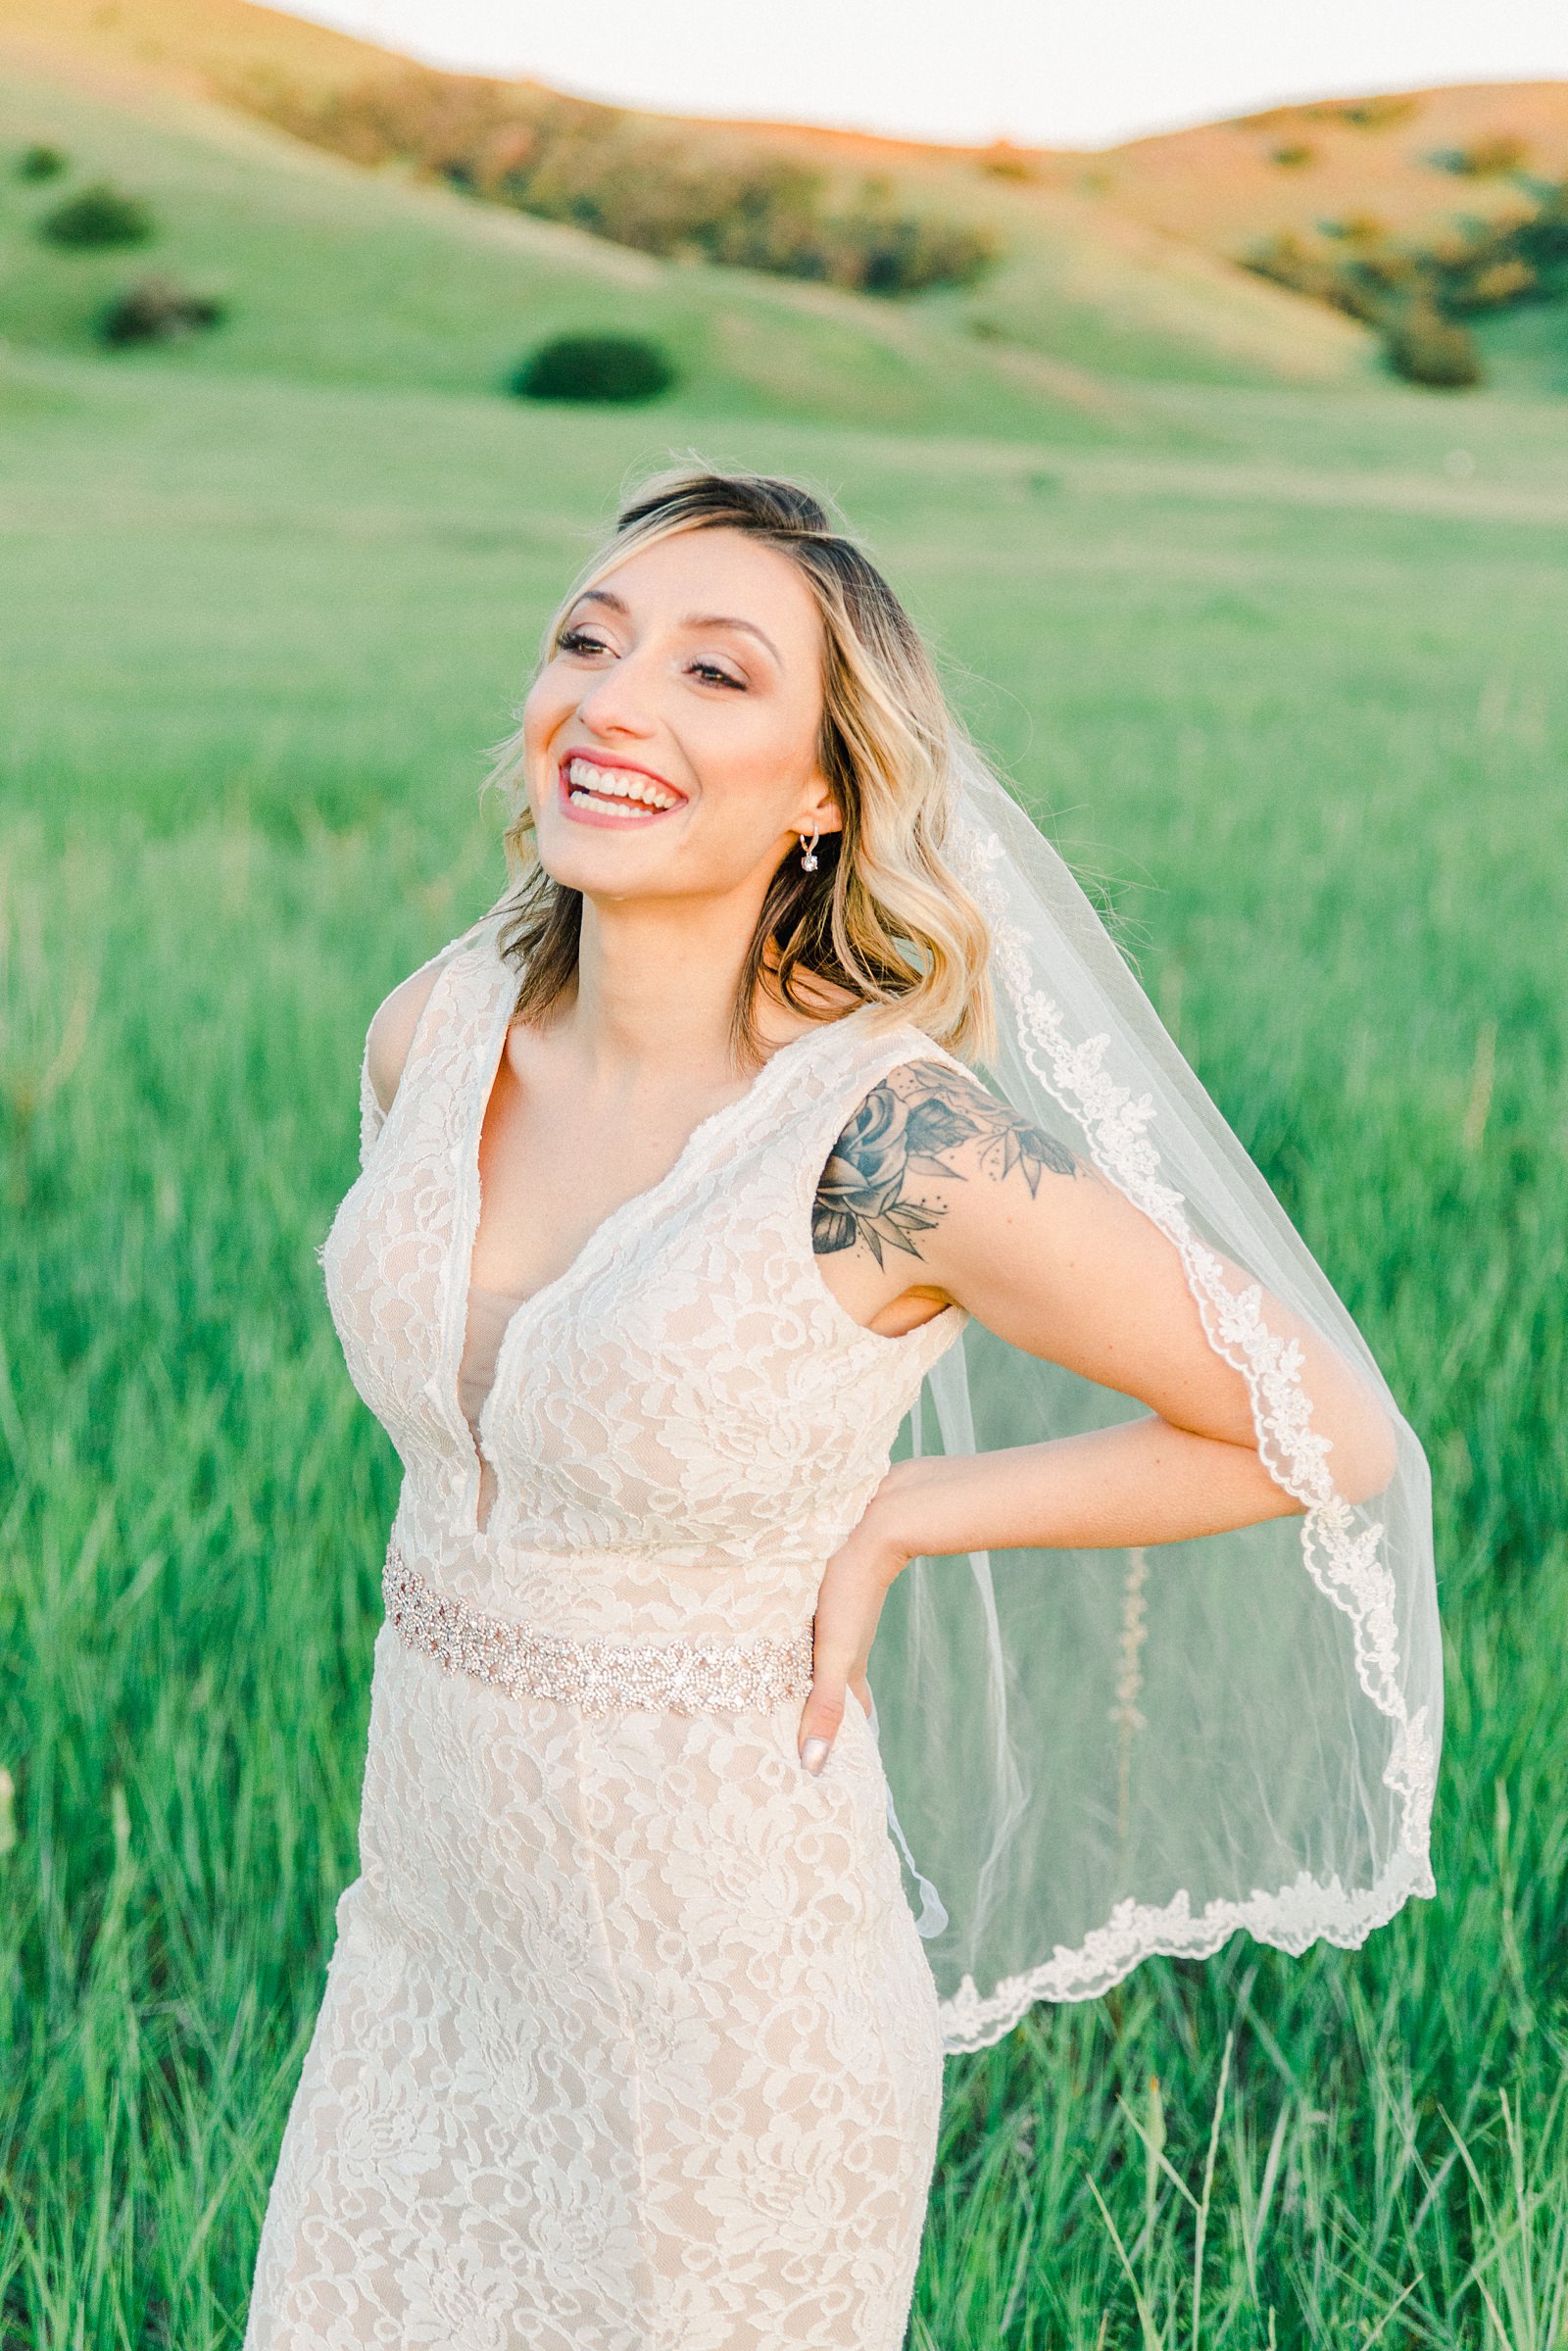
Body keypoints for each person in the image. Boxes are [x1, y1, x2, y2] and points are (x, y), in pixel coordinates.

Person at [242, 467, 1439, 2349]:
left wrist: (903, 1515)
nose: (615, 703)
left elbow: (1325, 1433)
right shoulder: (436, 1024)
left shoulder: (890, 1140)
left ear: (825, 789)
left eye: (716, 675)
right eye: (588, 641)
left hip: (724, 2008)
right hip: (426, 1953)